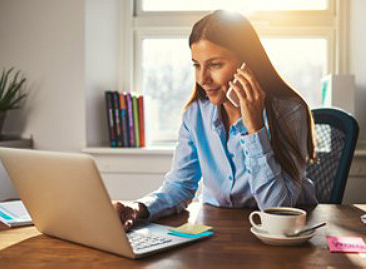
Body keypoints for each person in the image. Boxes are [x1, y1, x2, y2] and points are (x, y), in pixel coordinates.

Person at [113, 10, 318, 231]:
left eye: (215, 65)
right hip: (216, 231)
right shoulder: (195, 114)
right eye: (196, 65)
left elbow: (277, 209)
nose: (202, 79)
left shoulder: (288, 111)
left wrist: (254, 128)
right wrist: (138, 207)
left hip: (281, 237)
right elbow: (180, 187)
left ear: (246, 65)